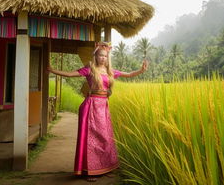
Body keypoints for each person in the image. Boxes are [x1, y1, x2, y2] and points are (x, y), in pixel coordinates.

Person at [47, 42, 148, 182]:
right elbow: (70, 74)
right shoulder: (90, 70)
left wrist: (141, 70)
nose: (103, 58)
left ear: (108, 58)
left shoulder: (110, 72)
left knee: (105, 138)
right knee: (91, 139)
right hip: (91, 105)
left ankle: (104, 167)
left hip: (103, 107)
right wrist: (53, 70)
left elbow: (129, 74)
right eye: (100, 55)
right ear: (95, 56)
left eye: (105, 56)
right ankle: (90, 171)